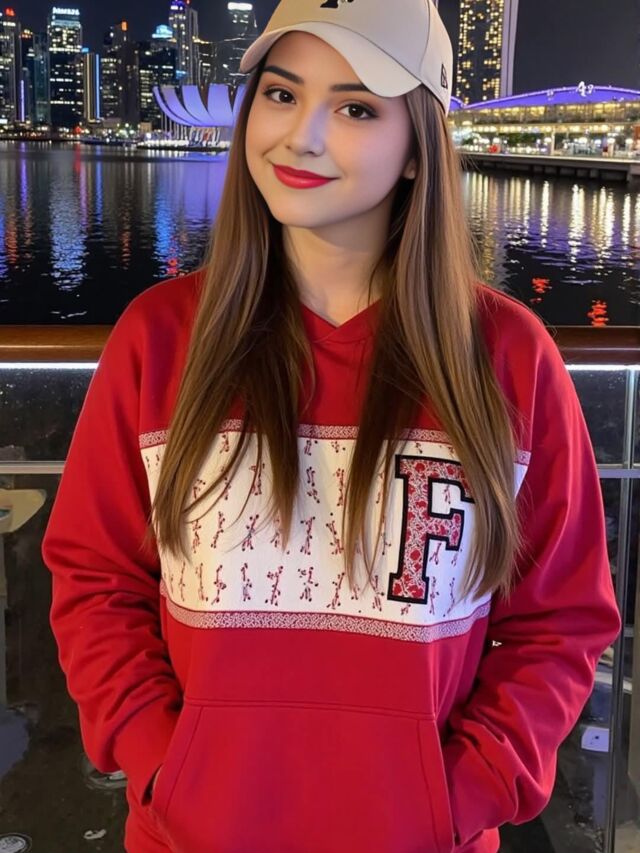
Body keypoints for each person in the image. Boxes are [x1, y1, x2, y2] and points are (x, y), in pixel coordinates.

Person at [41, 1, 622, 851]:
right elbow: (96, 581)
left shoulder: (506, 357)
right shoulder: (160, 339)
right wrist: (163, 764)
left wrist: (464, 792)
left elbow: (560, 621)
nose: (300, 137)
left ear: (418, 146)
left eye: (355, 108)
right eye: (282, 94)